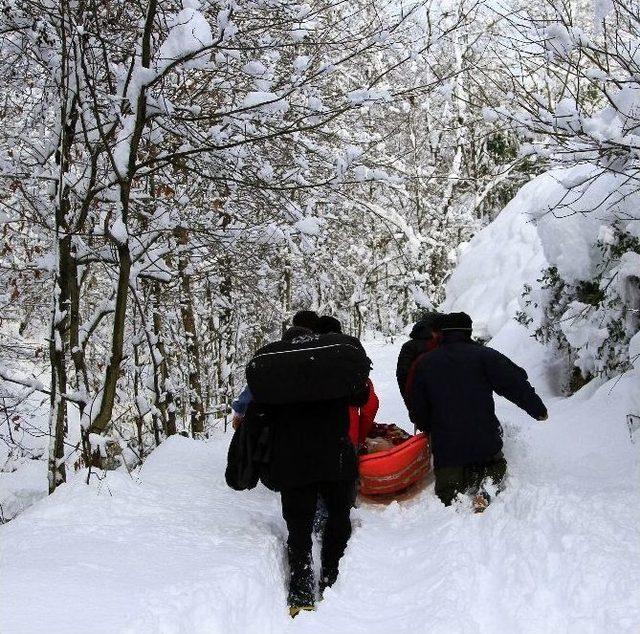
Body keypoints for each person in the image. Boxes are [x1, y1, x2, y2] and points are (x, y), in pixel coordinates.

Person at [250, 324, 370, 616]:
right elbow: (361, 398)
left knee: (299, 526)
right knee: (338, 517)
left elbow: (260, 411)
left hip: (293, 462)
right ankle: (332, 576)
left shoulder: (277, 374)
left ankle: (301, 591)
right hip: (336, 457)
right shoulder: (334, 366)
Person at [408, 312, 548, 511]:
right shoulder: (485, 355)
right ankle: (486, 490)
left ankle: (454, 498)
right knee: (494, 467)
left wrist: (427, 427)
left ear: (442, 334)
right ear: (468, 331)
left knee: (448, 489)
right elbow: (514, 383)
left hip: (447, 446)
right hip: (484, 440)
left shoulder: (425, 363)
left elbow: (418, 405)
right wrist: (538, 409)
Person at [231, 310, 320, 429]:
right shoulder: (322, 357)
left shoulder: (273, 357)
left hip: (277, 431)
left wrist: (239, 412)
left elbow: (253, 389)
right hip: (317, 429)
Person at [396, 312, 443, 405]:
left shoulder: (409, 346)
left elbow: (402, 375)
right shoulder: (442, 344)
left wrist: (409, 400)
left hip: (418, 398)